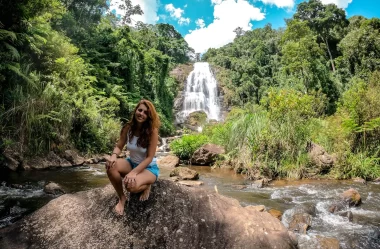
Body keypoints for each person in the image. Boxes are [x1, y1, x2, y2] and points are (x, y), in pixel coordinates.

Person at [106, 99, 160, 215]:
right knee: (110, 166)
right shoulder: (128, 127)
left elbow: (149, 157)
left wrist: (134, 172)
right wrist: (114, 156)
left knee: (130, 186)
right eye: (140, 110)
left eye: (146, 112)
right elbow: (119, 146)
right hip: (131, 163)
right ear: (135, 110)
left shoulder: (152, 131)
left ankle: (147, 185)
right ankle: (122, 198)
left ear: (149, 116)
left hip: (148, 168)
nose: (142, 114)